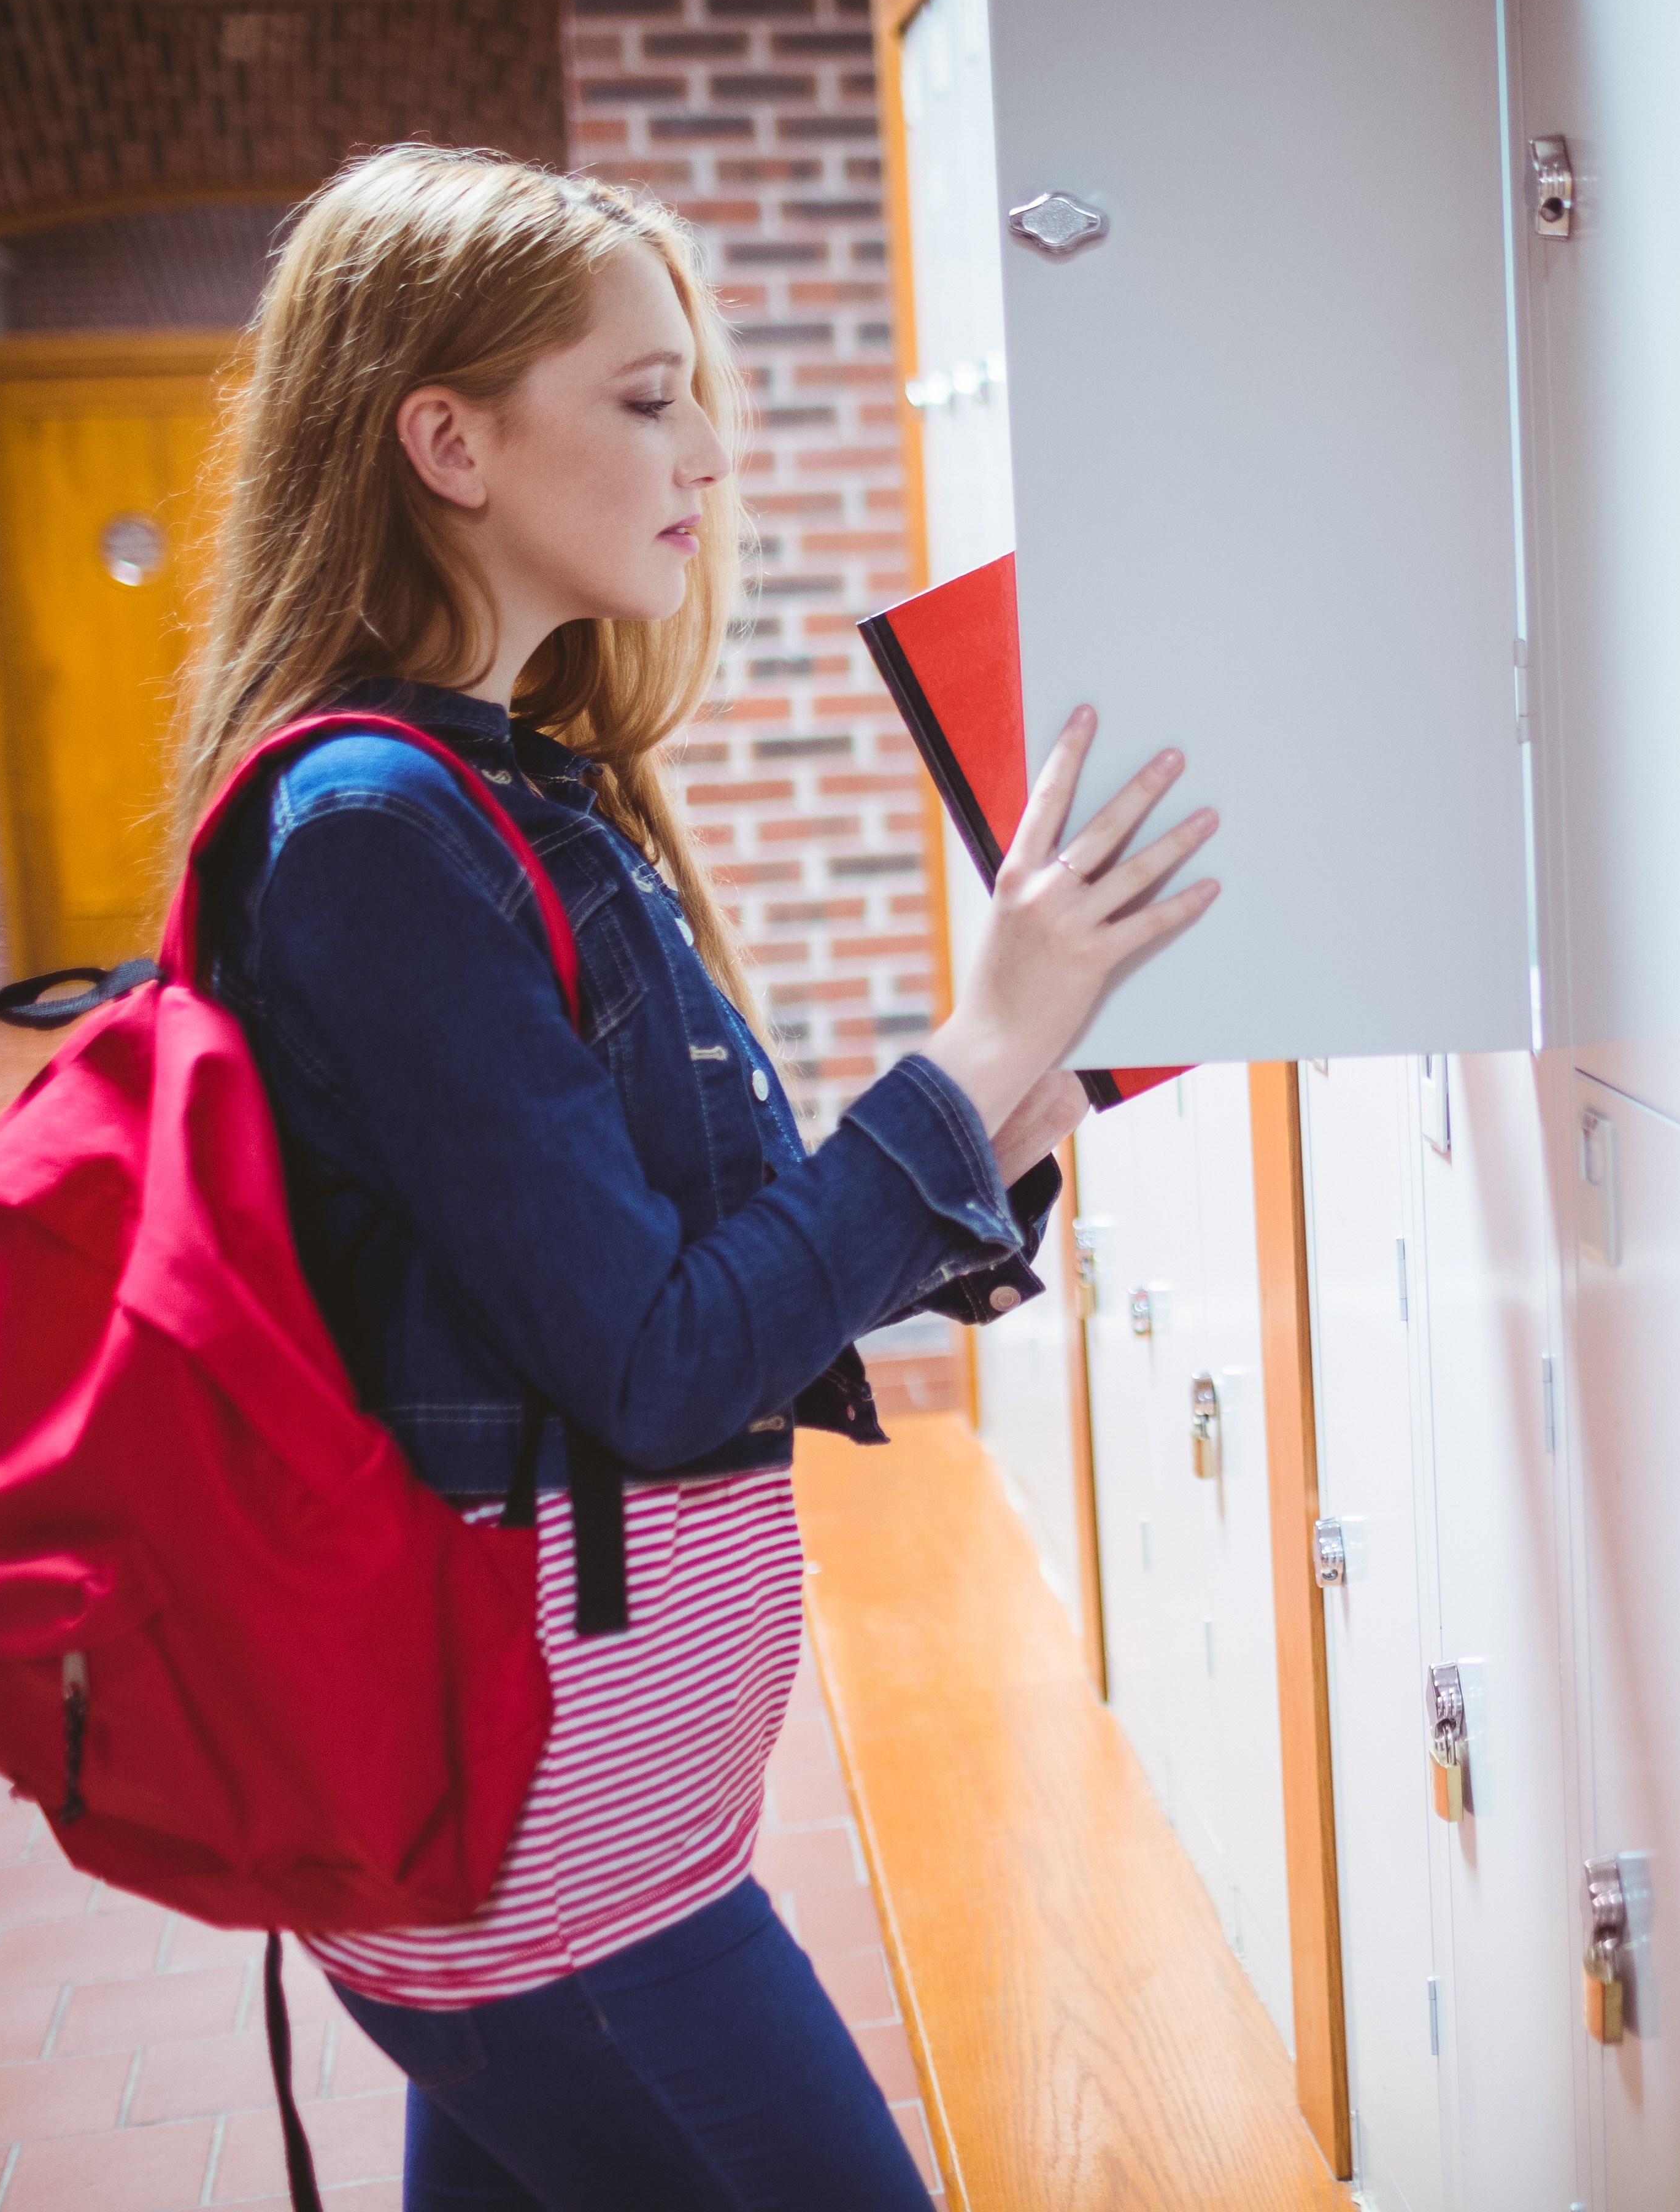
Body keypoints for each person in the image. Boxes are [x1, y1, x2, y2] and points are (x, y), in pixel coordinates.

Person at [166, 142, 1214, 2210]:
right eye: (646, 399)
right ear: (446, 440)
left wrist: (1038, 1090)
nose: (707, 450)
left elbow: (689, 1276)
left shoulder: (510, 787)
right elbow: (659, 1367)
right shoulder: (380, 830)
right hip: (554, 1875)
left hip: (568, 1837)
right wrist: (976, 1044)